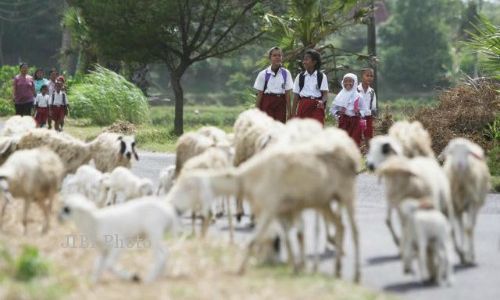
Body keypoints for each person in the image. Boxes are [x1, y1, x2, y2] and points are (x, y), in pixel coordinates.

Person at [253, 47, 293, 122]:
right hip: (267, 102)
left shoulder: (286, 73)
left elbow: (288, 94)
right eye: (274, 55)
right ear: (270, 58)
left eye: (279, 55)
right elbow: (260, 94)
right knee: (267, 127)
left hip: (280, 102)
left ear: (282, 57)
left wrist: (289, 112)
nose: (277, 57)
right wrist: (256, 111)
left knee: (279, 127)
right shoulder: (263, 74)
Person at [291, 49, 329, 125]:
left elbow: (325, 94)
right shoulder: (300, 76)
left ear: (314, 62)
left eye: (306, 59)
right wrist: (293, 113)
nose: (304, 62)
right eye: (303, 60)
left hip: (317, 106)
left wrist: (322, 101)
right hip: (303, 105)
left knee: (317, 129)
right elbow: (296, 96)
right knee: (302, 129)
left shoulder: (321, 76)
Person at [330, 73, 367, 147]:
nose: (347, 83)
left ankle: (354, 156)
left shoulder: (359, 96)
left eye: (350, 81)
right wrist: (338, 112)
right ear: (342, 82)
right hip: (343, 121)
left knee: (355, 140)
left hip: (355, 121)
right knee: (343, 141)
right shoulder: (339, 96)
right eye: (345, 81)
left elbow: (364, 109)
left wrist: (359, 113)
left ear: (355, 82)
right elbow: (333, 109)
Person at [358, 68, 377, 145]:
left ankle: (368, 154)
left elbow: (373, 108)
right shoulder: (356, 90)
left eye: (371, 76)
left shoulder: (372, 92)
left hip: (368, 118)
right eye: (367, 75)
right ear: (362, 76)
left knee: (368, 136)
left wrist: (371, 112)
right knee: (357, 136)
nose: (369, 77)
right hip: (357, 117)